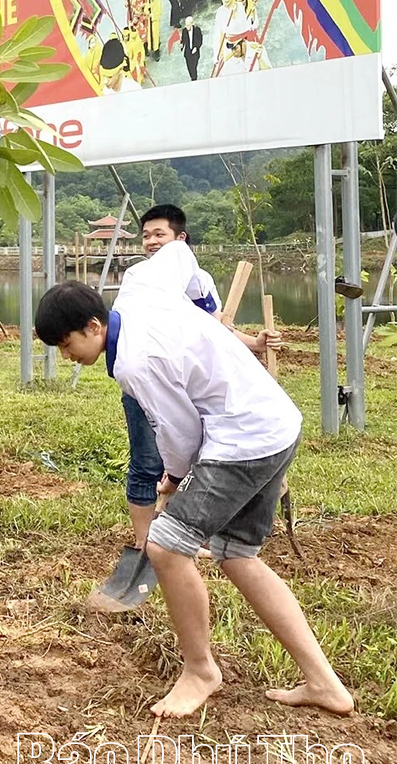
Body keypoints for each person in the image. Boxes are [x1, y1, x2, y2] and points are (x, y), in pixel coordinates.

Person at [35, 245, 353, 720]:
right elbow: (180, 253)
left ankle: (200, 671)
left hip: (242, 440)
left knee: (165, 547)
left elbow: (181, 432)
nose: (66, 356)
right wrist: (204, 304)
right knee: (237, 555)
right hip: (277, 422)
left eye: (66, 345)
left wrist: (175, 480)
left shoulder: (136, 363)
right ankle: (325, 683)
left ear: (94, 327)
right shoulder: (139, 287)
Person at [118, 205, 282, 552]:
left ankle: (188, 531)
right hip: (149, 381)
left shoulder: (199, 281)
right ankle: (145, 541)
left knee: (201, 455)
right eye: (146, 236)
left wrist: (255, 343)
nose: (151, 242)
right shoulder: (139, 278)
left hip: (193, 384)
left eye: (159, 234)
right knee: (147, 460)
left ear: (181, 239)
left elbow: (216, 329)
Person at [181, 16, 203, 81]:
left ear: (192, 24)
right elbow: (183, 39)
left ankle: (194, 77)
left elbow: (200, 40)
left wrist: (196, 47)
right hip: (188, 52)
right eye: (186, 25)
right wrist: (182, 44)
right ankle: (193, 77)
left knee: (194, 66)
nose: (186, 27)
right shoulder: (184, 31)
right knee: (189, 67)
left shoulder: (197, 30)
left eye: (188, 25)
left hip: (195, 52)